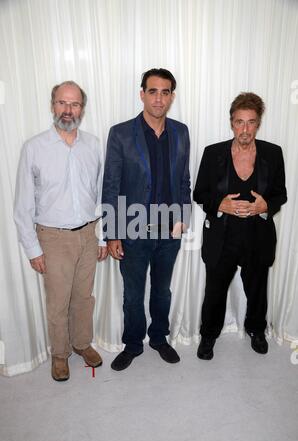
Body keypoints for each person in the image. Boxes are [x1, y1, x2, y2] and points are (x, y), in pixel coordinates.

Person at [14, 81, 108, 381]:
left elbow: (102, 194)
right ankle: (60, 354)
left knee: (84, 297)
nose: (68, 110)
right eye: (62, 103)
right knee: (57, 302)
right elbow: (23, 205)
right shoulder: (34, 148)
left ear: (83, 108)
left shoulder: (93, 145)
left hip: (87, 233)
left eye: (75, 104)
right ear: (52, 105)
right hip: (52, 238)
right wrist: (33, 249)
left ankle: (82, 344)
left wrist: (103, 235)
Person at [102, 68, 191, 371]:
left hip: (169, 229)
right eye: (152, 91)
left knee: (162, 291)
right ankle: (132, 344)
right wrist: (112, 233)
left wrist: (183, 218)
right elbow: (111, 185)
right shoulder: (121, 133)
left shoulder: (181, 131)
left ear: (172, 97)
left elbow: (183, 181)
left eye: (165, 92)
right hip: (132, 228)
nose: (158, 98)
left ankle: (159, 338)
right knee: (133, 294)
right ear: (142, 94)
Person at [193, 92, 287, 360]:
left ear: (258, 124)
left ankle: (257, 330)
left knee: (257, 289)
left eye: (251, 122)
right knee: (214, 291)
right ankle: (208, 334)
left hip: (258, 237)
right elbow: (200, 193)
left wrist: (265, 206)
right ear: (231, 122)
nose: (244, 129)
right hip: (222, 237)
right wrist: (220, 204)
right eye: (239, 122)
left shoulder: (273, 153)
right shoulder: (213, 153)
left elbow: (281, 194)